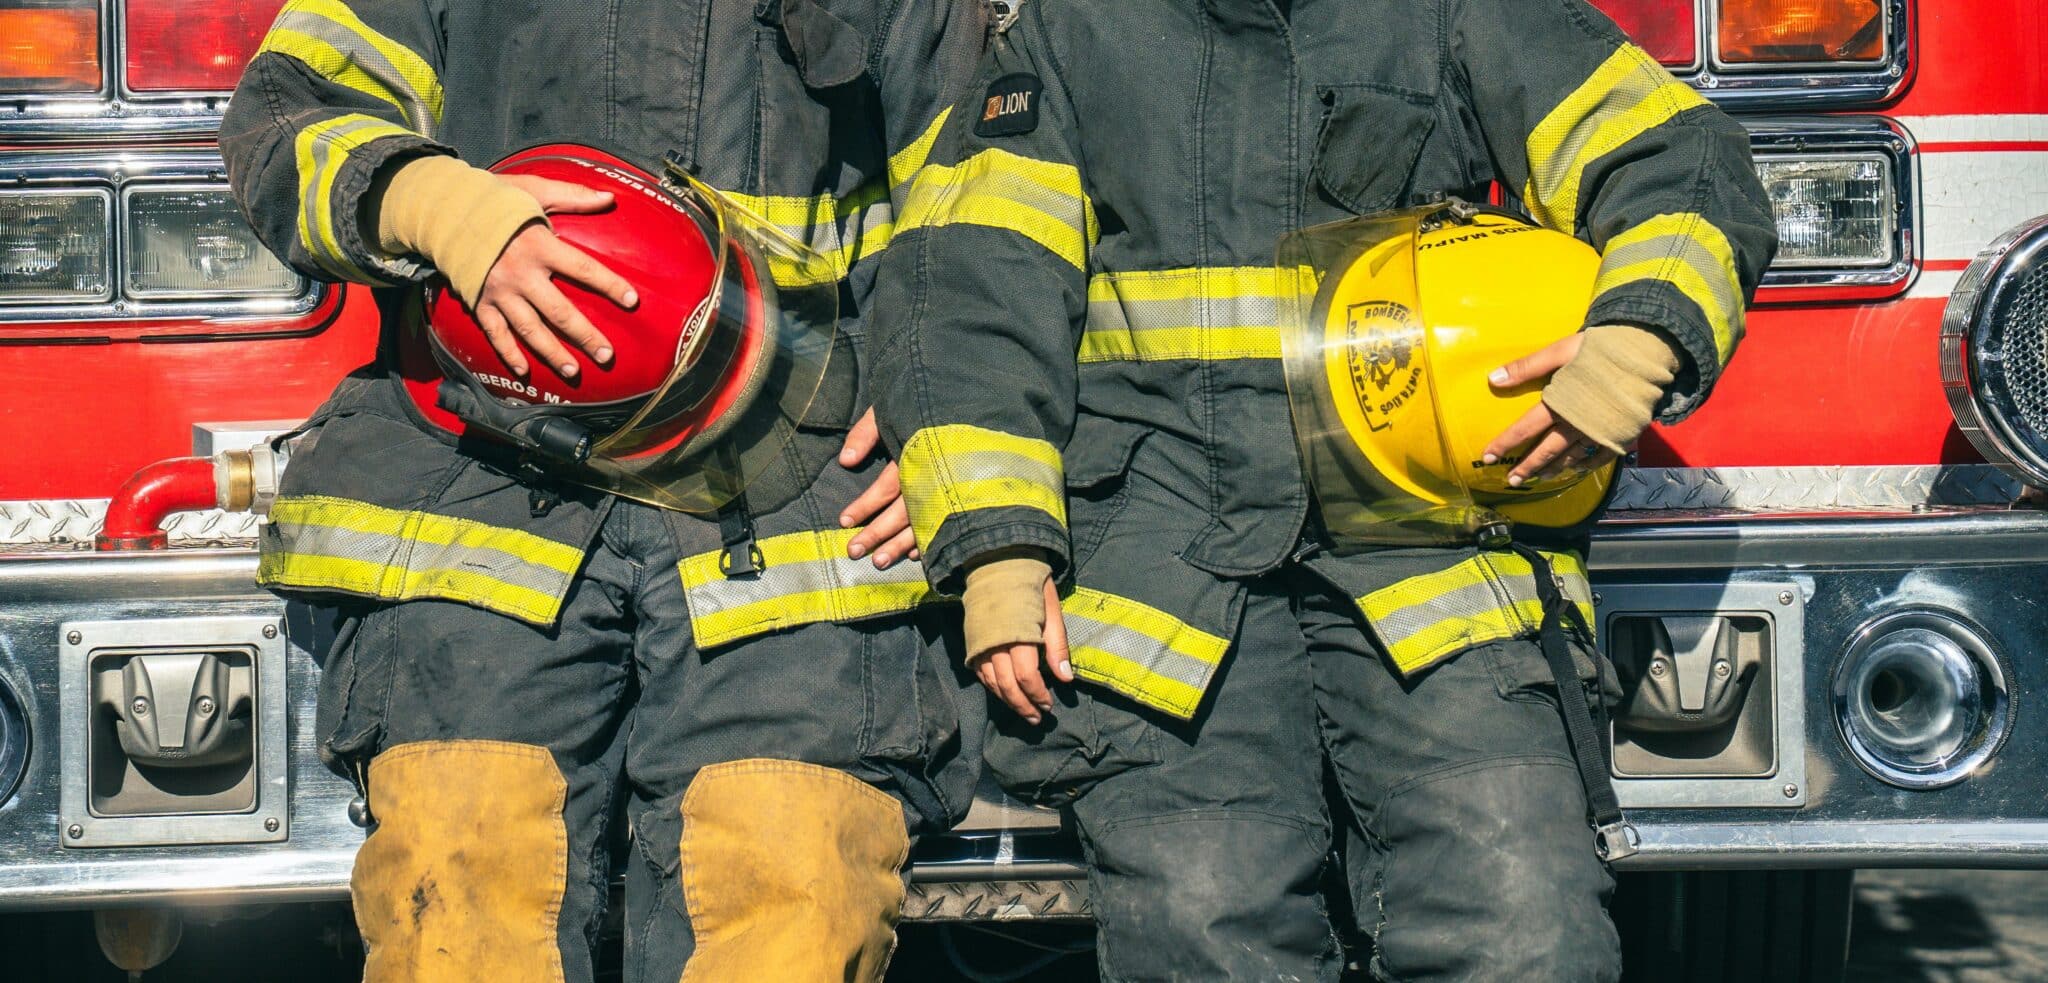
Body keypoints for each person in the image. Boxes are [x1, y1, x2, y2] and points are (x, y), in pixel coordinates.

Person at [871, 0, 1778, 979]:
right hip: (1164, 580)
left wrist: (1631, 347)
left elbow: (1679, 160)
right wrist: (997, 549)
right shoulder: (1078, 28)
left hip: (1428, 560)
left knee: (1523, 930)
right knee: (1206, 933)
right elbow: (967, 293)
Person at [222, 1, 985, 980]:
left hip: (796, 495)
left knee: (784, 892)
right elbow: (287, 115)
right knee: (461, 895)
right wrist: (431, 204)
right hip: (483, 494)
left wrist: (943, 377)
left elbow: (978, 180)